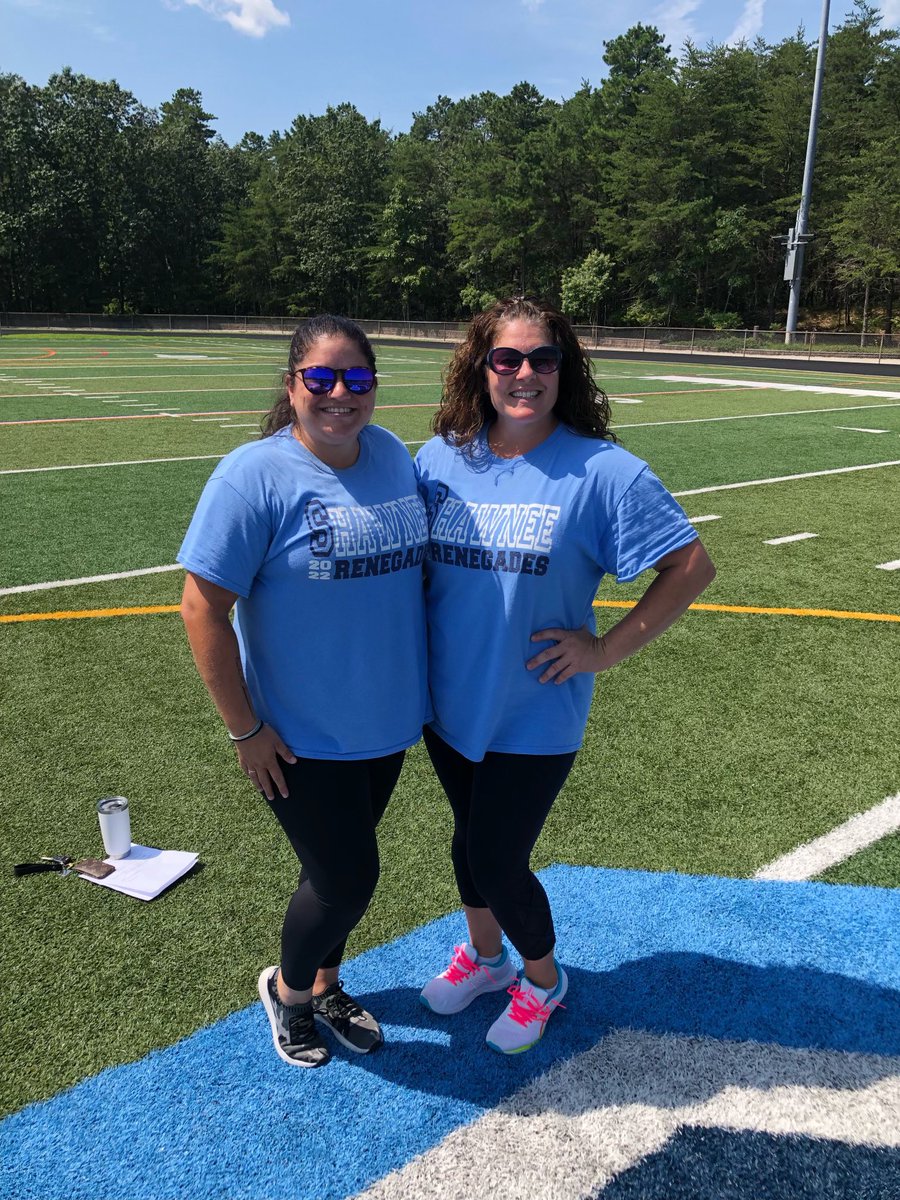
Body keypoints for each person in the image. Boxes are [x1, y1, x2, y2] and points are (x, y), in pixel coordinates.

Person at [415, 296, 715, 1054]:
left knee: (496, 855)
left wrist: (604, 648)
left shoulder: (601, 470)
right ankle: (486, 961)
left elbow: (690, 565)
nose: (524, 374)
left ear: (564, 368)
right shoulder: (442, 458)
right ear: (480, 367)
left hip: (536, 708)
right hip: (448, 702)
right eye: (506, 359)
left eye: (542, 359)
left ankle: (543, 980)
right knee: (467, 840)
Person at [178, 315, 429, 1069]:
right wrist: (244, 730)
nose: (339, 393)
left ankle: (326, 981)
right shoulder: (251, 475)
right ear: (292, 387)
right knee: (348, 877)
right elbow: (201, 608)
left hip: (384, 722)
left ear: (375, 386)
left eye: (356, 378)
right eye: (320, 378)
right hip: (295, 736)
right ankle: (287, 993)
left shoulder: (389, 454)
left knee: (333, 873)